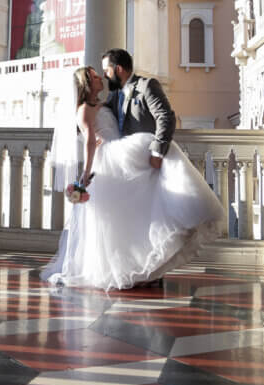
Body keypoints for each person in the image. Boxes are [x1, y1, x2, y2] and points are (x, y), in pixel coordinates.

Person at [41, 63, 224, 290]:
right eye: (95, 77)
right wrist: (86, 175)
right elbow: (89, 142)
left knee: (137, 213)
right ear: (87, 84)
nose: (100, 78)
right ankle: (133, 268)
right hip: (109, 160)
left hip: (120, 156)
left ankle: (149, 264)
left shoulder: (101, 104)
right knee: (121, 221)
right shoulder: (84, 109)